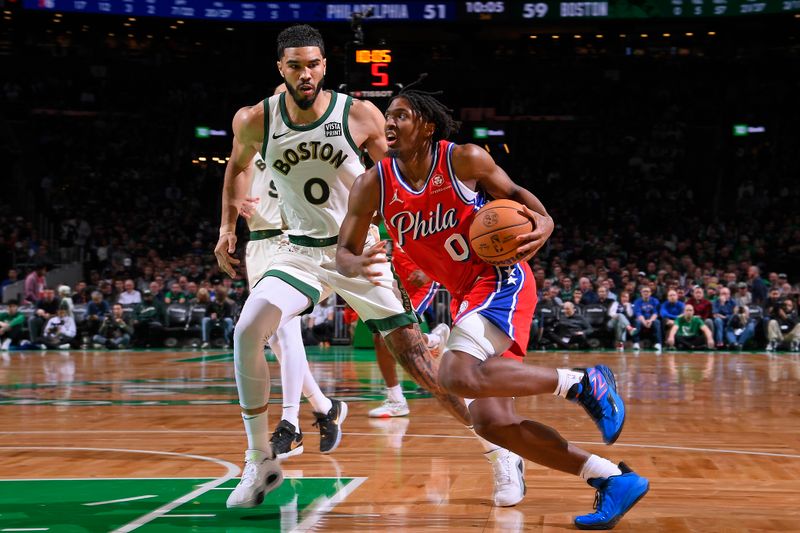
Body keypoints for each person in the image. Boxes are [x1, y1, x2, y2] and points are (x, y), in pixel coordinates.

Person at [214, 25, 506, 511]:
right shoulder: (254, 120)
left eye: (312, 64)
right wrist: (227, 226)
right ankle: (258, 458)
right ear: (280, 68)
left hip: (360, 252)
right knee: (249, 328)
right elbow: (236, 166)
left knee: (424, 367)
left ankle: (499, 452)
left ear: (325, 66)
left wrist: (412, 246)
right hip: (299, 252)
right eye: (294, 65)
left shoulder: (358, 114)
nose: (304, 73)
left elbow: (400, 178)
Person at [336, 88, 648, 529]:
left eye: (401, 115)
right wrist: (357, 262)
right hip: (466, 295)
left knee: (453, 375)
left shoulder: (462, 159)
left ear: (426, 126)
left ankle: (582, 383)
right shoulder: (373, 183)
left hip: (500, 280)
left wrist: (546, 221)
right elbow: (343, 251)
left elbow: (519, 195)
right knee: (491, 422)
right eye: (388, 115)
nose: (390, 122)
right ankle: (611, 478)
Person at [221, 147, 339, 462]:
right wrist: (236, 201)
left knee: (287, 335)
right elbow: (236, 176)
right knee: (273, 339)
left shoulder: (306, 145)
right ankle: (324, 407)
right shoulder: (253, 144)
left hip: (290, 241)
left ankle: (292, 424)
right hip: (257, 244)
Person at [369, 242, 450, 418]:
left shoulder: (435, 217)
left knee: (389, 336)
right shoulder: (390, 217)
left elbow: (448, 250)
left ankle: (397, 401)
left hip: (423, 282)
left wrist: (429, 273)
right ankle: (432, 341)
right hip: (395, 280)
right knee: (378, 337)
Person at [632, 286, 662, 352]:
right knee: (637, 322)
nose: (646, 293)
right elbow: (638, 313)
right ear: (641, 293)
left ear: (650, 293)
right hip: (641, 319)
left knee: (657, 322)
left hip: (651, 319)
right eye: (644, 291)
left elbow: (655, 313)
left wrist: (650, 320)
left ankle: (658, 343)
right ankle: (636, 343)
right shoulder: (637, 301)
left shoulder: (655, 301)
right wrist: (644, 322)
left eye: (647, 291)